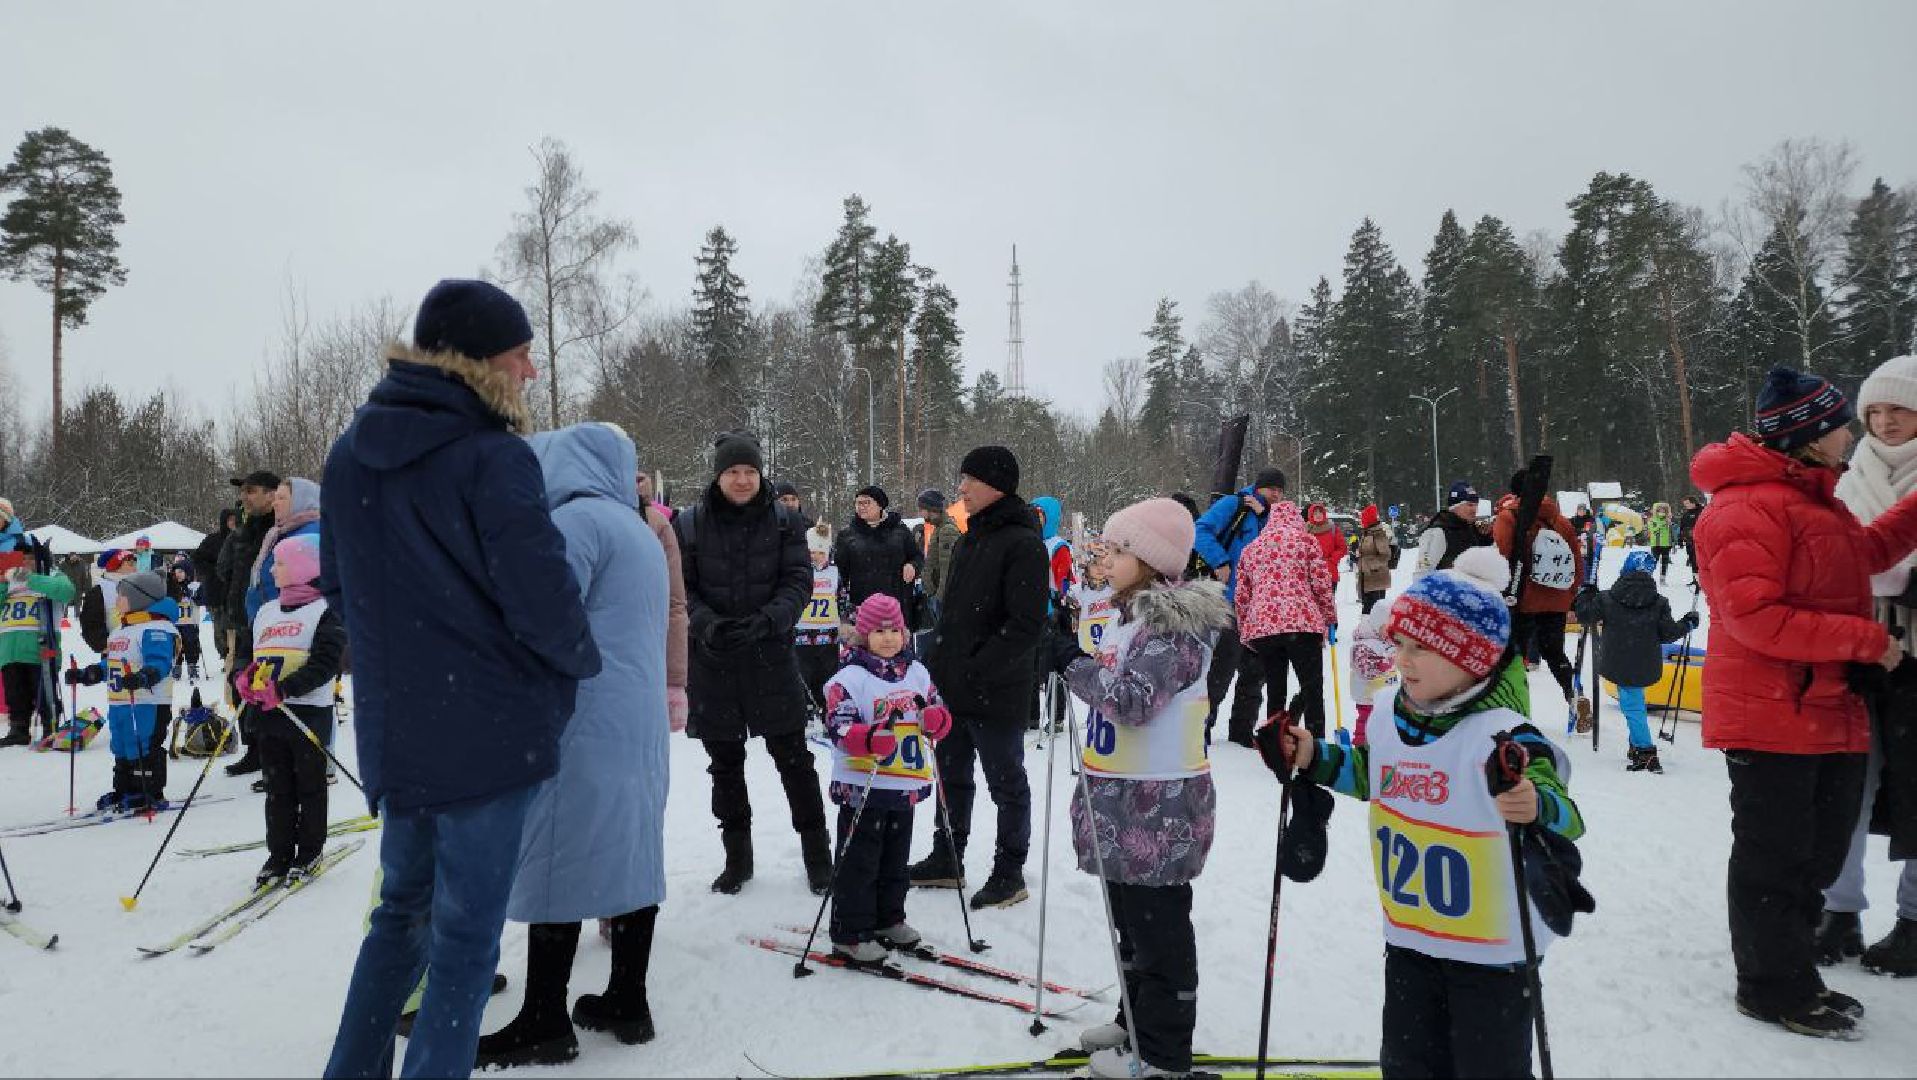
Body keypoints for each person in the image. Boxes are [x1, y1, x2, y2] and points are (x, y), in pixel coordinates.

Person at [320, 278, 600, 1080]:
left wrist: (410, 654)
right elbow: (543, 600)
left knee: (399, 915)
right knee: (466, 939)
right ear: (480, 360)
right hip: (485, 736)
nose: (532, 372)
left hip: (400, 728)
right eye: (523, 354)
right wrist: (573, 664)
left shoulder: (348, 454)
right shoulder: (491, 455)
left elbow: (338, 585)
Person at [1262, 547, 1586, 1077]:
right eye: (1400, 646)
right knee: (1409, 1063)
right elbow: (1373, 773)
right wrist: (1312, 756)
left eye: (1421, 650)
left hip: (1492, 953)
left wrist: (1533, 804)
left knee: (1488, 1067)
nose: (1402, 661)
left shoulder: (1502, 734)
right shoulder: (1391, 715)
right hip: (1411, 938)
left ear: (1470, 659)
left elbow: (1567, 816)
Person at [1691, 366, 1917, 1040]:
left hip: (1822, 709)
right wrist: (1863, 639)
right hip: (1773, 714)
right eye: (1842, 422)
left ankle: (1793, 972)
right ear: (1810, 436)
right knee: (1774, 859)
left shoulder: (1814, 500)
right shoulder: (1743, 507)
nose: (1852, 431)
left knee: (1814, 857)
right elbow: (1753, 616)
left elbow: (1867, 553)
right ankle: (1768, 986)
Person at [473, 423, 672, 1069]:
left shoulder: (576, 524)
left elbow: (541, 619)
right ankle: (628, 999)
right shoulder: (637, 529)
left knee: (556, 853)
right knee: (631, 851)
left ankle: (543, 1019)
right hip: (636, 721)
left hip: (581, 718)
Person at [1040, 498, 1228, 1078]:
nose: (1108, 557)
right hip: (1123, 806)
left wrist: (1071, 663)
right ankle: (1134, 1020)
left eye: (1120, 550)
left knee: (1160, 934)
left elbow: (1132, 702)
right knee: (1133, 928)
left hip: (1160, 813)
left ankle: (1164, 1052)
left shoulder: (1173, 630)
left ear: (1150, 562)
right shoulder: (1132, 620)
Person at [675, 431, 832, 897]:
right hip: (714, 661)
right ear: (718, 474)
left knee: (794, 761)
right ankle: (737, 858)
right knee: (724, 765)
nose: (742, 480)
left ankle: (817, 854)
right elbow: (683, 588)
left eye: (749, 471)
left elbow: (799, 580)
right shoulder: (690, 523)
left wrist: (769, 620)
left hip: (771, 657)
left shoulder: (785, 521)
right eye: (732, 471)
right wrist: (707, 625)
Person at [910, 445, 1048, 910]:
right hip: (953, 686)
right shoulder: (969, 538)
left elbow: (1026, 626)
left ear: (997, 485)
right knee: (951, 777)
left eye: (969, 480)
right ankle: (948, 857)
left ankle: (1009, 871)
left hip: (996, 690)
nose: (961, 488)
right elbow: (952, 615)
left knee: (1005, 782)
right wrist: (939, 666)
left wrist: (977, 667)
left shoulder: (1024, 543)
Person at [1819, 353, 1917, 977]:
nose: (1884, 421)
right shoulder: (1843, 478)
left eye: (1899, 408)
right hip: (1859, 655)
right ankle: (1841, 908)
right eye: (1874, 410)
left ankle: (1913, 919)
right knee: (1844, 793)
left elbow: (1863, 561)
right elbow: (1837, 562)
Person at [821, 593, 953, 962]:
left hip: (903, 786)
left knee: (895, 860)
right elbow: (839, 725)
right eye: (879, 631)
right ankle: (850, 930)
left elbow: (938, 708)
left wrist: (936, 721)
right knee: (859, 862)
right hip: (863, 788)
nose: (889, 638)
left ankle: (888, 917)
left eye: (894, 630)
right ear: (864, 635)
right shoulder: (850, 678)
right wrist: (865, 738)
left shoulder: (916, 672)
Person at [236, 535, 345, 884]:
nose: (272, 569)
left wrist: (285, 688)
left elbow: (325, 664)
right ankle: (278, 855)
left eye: (280, 563)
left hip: (307, 712)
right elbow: (248, 655)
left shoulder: (326, 611)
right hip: (268, 715)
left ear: (303, 567)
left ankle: (310, 852)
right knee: (277, 788)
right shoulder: (267, 611)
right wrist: (242, 678)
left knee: (309, 786)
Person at [1573, 550, 1696, 774]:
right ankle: (1636, 744)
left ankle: (1645, 751)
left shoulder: (1608, 598)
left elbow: (1584, 615)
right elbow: (1668, 634)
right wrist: (1687, 623)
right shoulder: (1658, 602)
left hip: (1617, 661)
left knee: (1633, 706)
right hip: (1646, 663)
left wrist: (1585, 594)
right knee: (1634, 701)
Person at [64, 571, 179, 810]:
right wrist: (91, 673)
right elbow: (112, 663)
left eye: (122, 597)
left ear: (140, 598)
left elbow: (160, 661)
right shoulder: (120, 630)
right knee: (122, 744)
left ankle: (149, 790)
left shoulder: (157, 628)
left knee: (143, 744)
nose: (116, 601)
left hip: (148, 701)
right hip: (120, 701)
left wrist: (145, 675)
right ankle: (124, 788)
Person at [1232, 482, 1337, 738]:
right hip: (1303, 627)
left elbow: (1242, 596)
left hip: (1265, 630)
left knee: (1275, 688)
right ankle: (1316, 739)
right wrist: (1329, 617)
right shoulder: (1307, 542)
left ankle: (1275, 741)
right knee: (1312, 687)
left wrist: (1246, 629)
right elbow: (1321, 584)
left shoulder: (1252, 549)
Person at [1192, 469, 1288, 742]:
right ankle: (1201, 728)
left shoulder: (1272, 515)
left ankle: (1242, 730)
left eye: (1280, 491)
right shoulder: (1233, 505)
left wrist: (1264, 515)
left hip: (1261, 605)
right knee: (1222, 665)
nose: (1276, 495)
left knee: (1256, 669)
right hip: (1229, 600)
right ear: (1259, 487)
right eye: (1272, 489)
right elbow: (1200, 530)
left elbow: (1284, 544)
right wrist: (1220, 561)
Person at [1493, 472, 1584, 716]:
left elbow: (1502, 556)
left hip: (1520, 599)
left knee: (1513, 656)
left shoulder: (1509, 517)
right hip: (1556, 598)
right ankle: (1573, 693)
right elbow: (1576, 559)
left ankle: (1513, 703)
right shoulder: (1560, 520)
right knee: (1554, 652)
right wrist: (1571, 593)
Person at [218, 470, 281, 777]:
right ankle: (253, 749)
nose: (244, 496)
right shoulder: (242, 531)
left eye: (251, 491)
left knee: (266, 686)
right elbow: (225, 568)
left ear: (272, 494)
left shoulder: (281, 528)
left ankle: (273, 755)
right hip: (242, 620)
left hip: (272, 621)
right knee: (239, 683)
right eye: (243, 491)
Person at [0, 552, 75, 746]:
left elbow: (66, 591)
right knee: (14, 693)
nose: (26, 563)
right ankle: (18, 729)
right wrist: (3, 583)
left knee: (44, 691)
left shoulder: (52, 575)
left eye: (31, 558)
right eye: (22, 559)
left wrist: (30, 579)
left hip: (40, 647)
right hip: (10, 648)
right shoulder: (8, 579)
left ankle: (50, 728)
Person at [832, 485, 923, 617]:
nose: (861, 507)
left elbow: (917, 556)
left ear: (880, 505)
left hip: (897, 603)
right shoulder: (847, 535)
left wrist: (913, 566)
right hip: (862, 605)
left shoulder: (899, 530)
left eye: (866, 502)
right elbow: (840, 574)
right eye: (858, 503)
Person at [796, 523, 841, 710]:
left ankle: (826, 707)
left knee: (827, 673)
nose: (816, 557)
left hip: (828, 634)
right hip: (802, 634)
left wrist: (847, 620)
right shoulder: (799, 572)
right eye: (812, 552)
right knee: (802, 673)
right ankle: (806, 708)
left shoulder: (835, 572)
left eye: (820, 553)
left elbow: (843, 597)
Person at [1413, 481, 1488, 579]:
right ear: (1455, 506)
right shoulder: (1438, 531)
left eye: (1476, 505)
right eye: (1469, 505)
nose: (1474, 509)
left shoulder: (1471, 529)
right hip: (1444, 592)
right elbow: (1422, 572)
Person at [1347, 605, 1397, 747]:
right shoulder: (1363, 645)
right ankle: (1361, 746)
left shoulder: (1388, 642)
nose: (1390, 633)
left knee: (1386, 722)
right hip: (1367, 697)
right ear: (1377, 624)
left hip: (1386, 694)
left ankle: (1383, 745)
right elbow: (1366, 670)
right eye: (1387, 628)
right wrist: (1384, 664)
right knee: (1366, 722)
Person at [166, 564, 205, 682]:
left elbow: (201, 601)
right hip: (175, 623)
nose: (178, 574)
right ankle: (176, 667)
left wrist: (195, 595)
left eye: (181, 572)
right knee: (175, 644)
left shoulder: (193, 586)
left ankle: (192, 666)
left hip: (190, 622)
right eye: (176, 572)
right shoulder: (170, 586)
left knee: (191, 644)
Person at [1355, 504, 1394, 615]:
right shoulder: (1367, 533)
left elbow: (1385, 555)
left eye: (1363, 518)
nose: (1361, 521)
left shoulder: (1378, 534)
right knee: (1368, 610)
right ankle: (1368, 630)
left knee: (1372, 611)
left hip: (1376, 580)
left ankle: (1371, 631)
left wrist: (1367, 563)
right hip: (1367, 579)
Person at [1305, 503, 1344, 585]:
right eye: (1315, 513)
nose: (1318, 515)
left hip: (1329, 571)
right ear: (1311, 515)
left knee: (1329, 597)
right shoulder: (1306, 530)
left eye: (1320, 512)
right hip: (1310, 573)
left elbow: (1342, 547)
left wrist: (1331, 560)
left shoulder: (1332, 528)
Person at [1676, 496, 1703, 583]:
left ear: (1693, 502)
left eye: (1687, 503)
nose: (1686, 505)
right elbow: (1682, 527)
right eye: (1685, 504)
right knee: (1692, 560)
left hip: (1700, 541)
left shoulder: (1702, 511)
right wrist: (1680, 539)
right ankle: (1695, 580)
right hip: (1689, 541)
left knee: (1699, 561)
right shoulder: (1686, 515)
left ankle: (1703, 581)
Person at [1647, 502, 1676, 582]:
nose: (1662, 513)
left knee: (1665, 562)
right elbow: (1653, 530)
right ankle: (1649, 577)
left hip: (1666, 544)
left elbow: (1672, 533)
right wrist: (1662, 524)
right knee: (1653, 561)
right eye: (1660, 510)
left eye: (1664, 511)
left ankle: (1662, 578)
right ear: (1656, 511)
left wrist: (1673, 543)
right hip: (1656, 544)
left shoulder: (1669, 521)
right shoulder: (1652, 520)